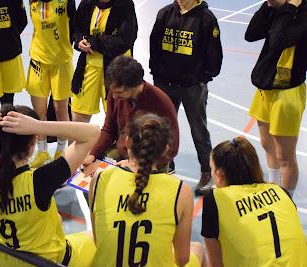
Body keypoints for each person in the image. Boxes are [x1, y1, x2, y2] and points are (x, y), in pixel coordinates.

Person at [0, 104, 100, 266]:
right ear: (33, 142)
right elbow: (92, 132)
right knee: (99, 238)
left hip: (8, 260)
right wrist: (39, 126)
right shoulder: (39, 181)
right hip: (49, 262)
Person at [89, 113, 205, 267]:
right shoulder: (181, 191)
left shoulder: (100, 178)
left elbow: (99, 241)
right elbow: (182, 259)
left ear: (128, 142)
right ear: (165, 150)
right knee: (198, 249)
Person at [149, 0, 223, 196]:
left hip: (192, 87)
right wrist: (157, 72)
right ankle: (167, 166)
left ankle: (207, 172)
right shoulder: (164, 13)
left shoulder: (206, 19)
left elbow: (215, 55)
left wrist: (202, 77)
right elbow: (154, 44)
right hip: (165, 83)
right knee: (163, 128)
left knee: (199, 130)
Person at [202, 136, 307, 266]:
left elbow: (215, 264)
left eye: (212, 168)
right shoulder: (280, 191)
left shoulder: (215, 200)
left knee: (198, 252)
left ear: (220, 173)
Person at [245, 0, 307, 196]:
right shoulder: (278, 9)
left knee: (285, 156)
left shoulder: (303, 14)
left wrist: (288, 8)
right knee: (266, 143)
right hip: (265, 87)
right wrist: (269, 6)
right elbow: (251, 34)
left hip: (287, 92)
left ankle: (286, 202)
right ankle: (272, 189)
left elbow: (278, 40)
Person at [83, 55, 179, 173]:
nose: (114, 97)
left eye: (119, 92)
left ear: (136, 86)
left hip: (151, 161)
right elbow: (109, 130)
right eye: (112, 91)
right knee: (93, 181)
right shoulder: (116, 94)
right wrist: (93, 154)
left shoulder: (161, 102)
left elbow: (172, 147)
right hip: (124, 153)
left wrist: (134, 164)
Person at [26, 0, 76, 168]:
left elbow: (76, 24)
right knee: (39, 111)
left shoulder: (66, 1)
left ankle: (62, 151)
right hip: (38, 62)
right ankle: (42, 152)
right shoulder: (32, 1)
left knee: (60, 109)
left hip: (61, 62)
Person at [71, 0, 138, 123]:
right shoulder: (86, 3)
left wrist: (93, 42)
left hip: (116, 71)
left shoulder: (125, 5)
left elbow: (124, 41)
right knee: (78, 117)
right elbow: (76, 29)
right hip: (89, 66)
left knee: (118, 121)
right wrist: (79, 40)